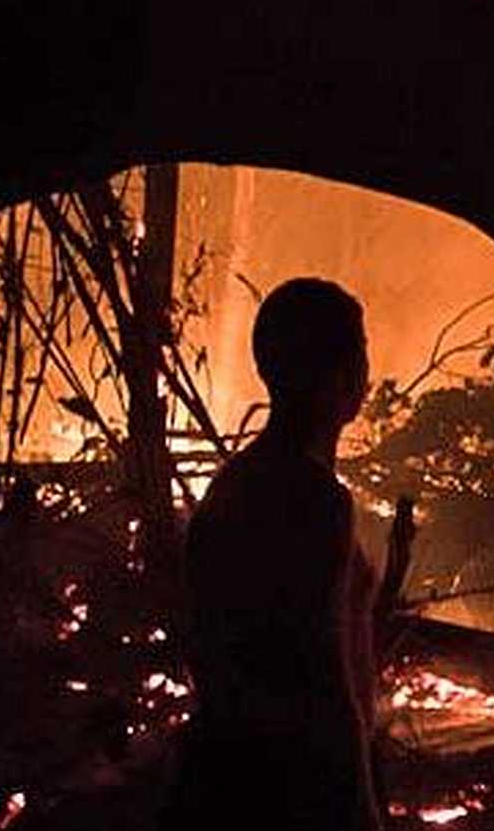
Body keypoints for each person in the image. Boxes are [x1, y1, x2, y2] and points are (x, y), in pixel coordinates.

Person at [163, 278, 383, 830]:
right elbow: (325, 679)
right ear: (340, 374)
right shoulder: (312, 501)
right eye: (357, 350)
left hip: (232, 780)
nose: (365, 372)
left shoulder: (237, 482)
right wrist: (360, 810)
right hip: (289, 793)